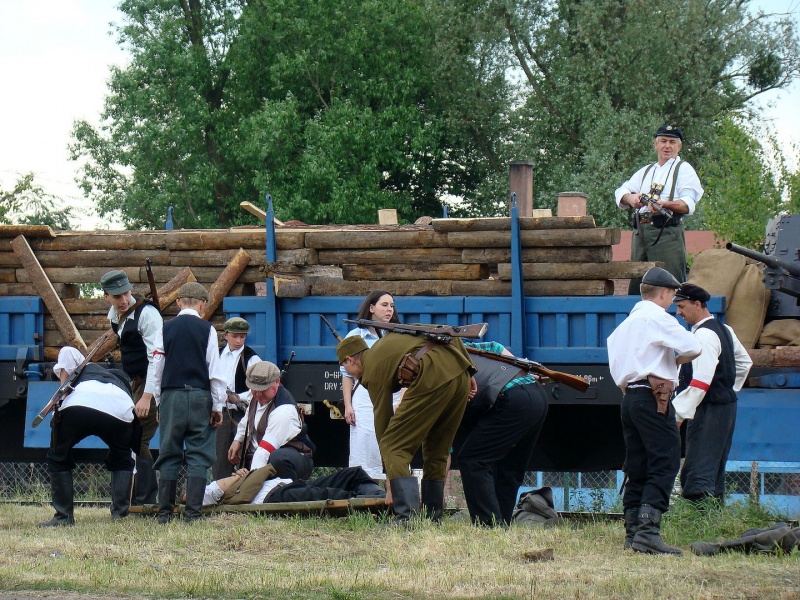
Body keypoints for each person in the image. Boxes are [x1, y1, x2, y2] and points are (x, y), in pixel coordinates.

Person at [607, 267, 702, 555]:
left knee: (637, 465)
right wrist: (674, 362)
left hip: (629, 399)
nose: (672, 302)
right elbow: (693, 346)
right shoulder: (657, 317)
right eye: (672, 296)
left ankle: (633, 533)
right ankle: (648, 532)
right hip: (653, 398)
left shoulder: (623, 327)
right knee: (666, 460)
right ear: (663, 293)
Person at [337, 330, 477, 525]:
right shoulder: (392, 340)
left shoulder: (371, 367)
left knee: (392, 445)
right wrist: (469, 370)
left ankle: (407, 519)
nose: (347, 372)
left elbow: (383, 419)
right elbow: (446, 331)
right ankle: (432, 518)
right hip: (460, 374)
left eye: (343, 366)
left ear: (350, 360)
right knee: (437, 448)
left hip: (432, 376)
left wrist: (390, 476)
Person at [152, 282, 226, 524]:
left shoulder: (165, 329)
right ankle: (192, 514)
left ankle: (164, 513)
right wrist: (217, 406)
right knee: (199, 454)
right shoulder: (208, 330)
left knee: (168, 451)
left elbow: (157, 368)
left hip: (171, 396)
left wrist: (159, 402)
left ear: (178, 302)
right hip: (198, 396)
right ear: (203, 305)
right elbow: (215, 372)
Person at [672, 283, 752, 504]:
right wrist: (727, 389)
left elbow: (700, 382)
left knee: (700, 465)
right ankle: (712, 516)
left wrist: (678, 415)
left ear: (697, 304)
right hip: (723, 405)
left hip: (707, 408)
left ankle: (700, 519)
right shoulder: (725, 329)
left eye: (682, 306)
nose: (679, 312)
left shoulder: (705, 336)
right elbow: (745, 362)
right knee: (714, 463)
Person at [39, 347, 137, 527]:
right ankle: (120, 516)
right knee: (123, 458)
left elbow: (67, 350)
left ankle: (63, 517)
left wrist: (64, 389)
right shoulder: (122, 381)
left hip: (79, 403)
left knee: (58, 455)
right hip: (120, 406)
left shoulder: (85, 365)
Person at [457, 341, 549, 527]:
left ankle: (489, 526)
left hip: (514, 399)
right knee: (509, 468)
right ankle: (501, 525)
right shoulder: (462, 346)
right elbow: (496, 346)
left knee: (473, 460)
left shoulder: (440, 357)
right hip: (535, 393)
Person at [100, 269, 163, 505]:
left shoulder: (147, 315)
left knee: (139, 440)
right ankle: (139, 497)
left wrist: (147, 396)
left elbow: (158, 357)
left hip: (153, 382)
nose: (124, 300)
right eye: (117, 296)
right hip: (136, 381)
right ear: (106, 297)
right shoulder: (115, 315)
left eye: (126, 293)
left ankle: (147, 498)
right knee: (133, 438)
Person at [615, 124, 704, 290]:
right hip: (640, 233)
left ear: (680, 146)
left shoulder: (684, 170)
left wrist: (665, 204)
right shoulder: (646, 171)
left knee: (667, 284)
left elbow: (687, 204)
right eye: (663, 141)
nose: (667, 146)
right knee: (638, 283)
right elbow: (622, 191)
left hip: (667, 232)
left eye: (672, 141)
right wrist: (631, 197)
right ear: (655, 144)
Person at [340, 292, 401, 483]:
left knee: (395, 443)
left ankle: (396, 489)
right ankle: (365, 489)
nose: (389, 309)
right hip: (365, 396)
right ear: (372, 308)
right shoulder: (355, 336)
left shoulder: (397, 335)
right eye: (384, 305)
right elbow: (347, 374)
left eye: (391, 305)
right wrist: (348, 405)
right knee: (365, 443)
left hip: (395, 394)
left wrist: (403, 399)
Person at [227, 361, 315, 480]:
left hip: (293, 460)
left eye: (263, 389)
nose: (258, 394)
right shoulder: (256, 395)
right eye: (254, 389)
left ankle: (286, 490)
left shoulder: (284, 411)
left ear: (277, 382)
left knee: (277, 458)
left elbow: (264, 451)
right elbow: (247, 418)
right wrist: (237, 440)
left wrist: (250, 483)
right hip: (260, 457)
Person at [197, 465, 385, 508]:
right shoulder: (209, 491)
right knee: (329, 494)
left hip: (285, 485)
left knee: (352, 474)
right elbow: (196, 497)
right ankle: (376, 503)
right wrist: (237, 477)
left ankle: (381, 496)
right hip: (273, 496)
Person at [212, 317, 261, 480]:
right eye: (235, 336)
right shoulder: (217, 355)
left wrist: (238, 397)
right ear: (226, 335)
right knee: (220, 461)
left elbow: (258, 387)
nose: (239, 341)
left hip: (242, 414)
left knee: (245, 457)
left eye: (242, 336)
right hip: (222, 415)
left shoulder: (251, 358)